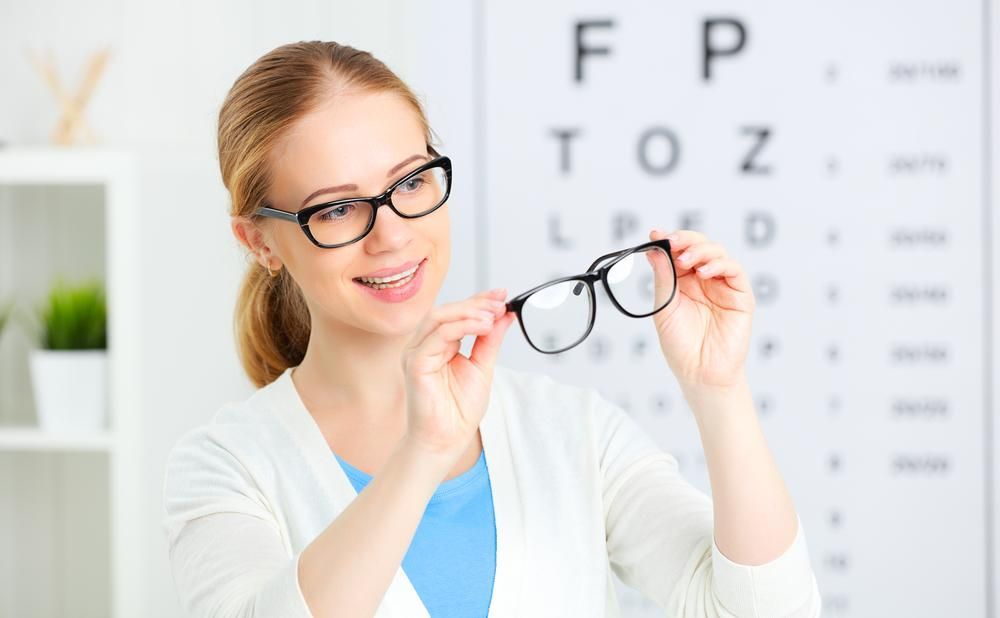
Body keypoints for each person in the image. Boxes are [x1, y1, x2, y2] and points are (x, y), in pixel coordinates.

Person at [162, 40, 822, 618]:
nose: (392, 236)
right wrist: (422, 454)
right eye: (335, 209)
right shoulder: (226, 467)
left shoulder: (571, 430)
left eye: (411, 182)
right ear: (260, 242)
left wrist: (719, 387)